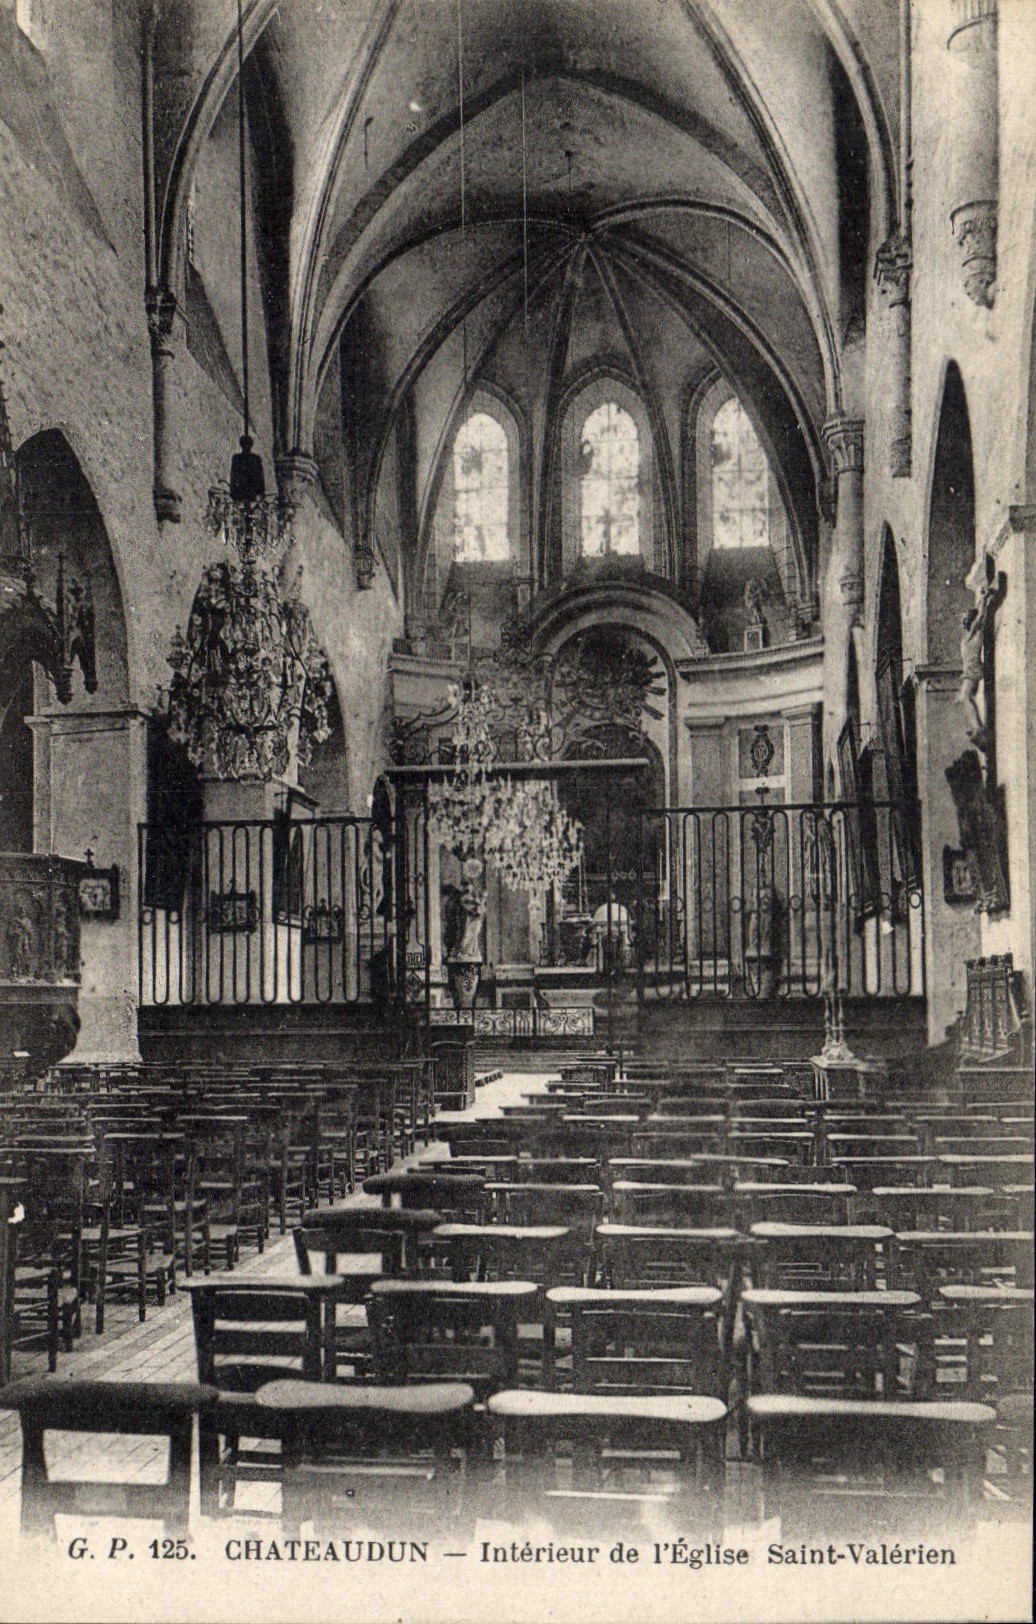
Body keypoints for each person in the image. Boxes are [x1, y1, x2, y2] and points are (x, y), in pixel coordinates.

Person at [957, 580, 998, 751]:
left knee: (965, 697)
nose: (963, 622)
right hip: (969, 670)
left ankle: (979, 729)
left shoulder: (975, 632)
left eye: (966, 619)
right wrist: (981, 598)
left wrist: (984, 598)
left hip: (972, 670)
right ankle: (977, 727)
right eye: (963, 619)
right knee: (963, 698)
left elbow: (981, 615)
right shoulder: (967, 636)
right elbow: (977, 612)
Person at [592, 890, 631, 973]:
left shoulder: (600, 909)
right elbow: (626, 924)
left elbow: (595, 925)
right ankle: (617, 966)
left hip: (605, 935)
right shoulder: (622, 909)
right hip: (615, 935)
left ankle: (609, 967)